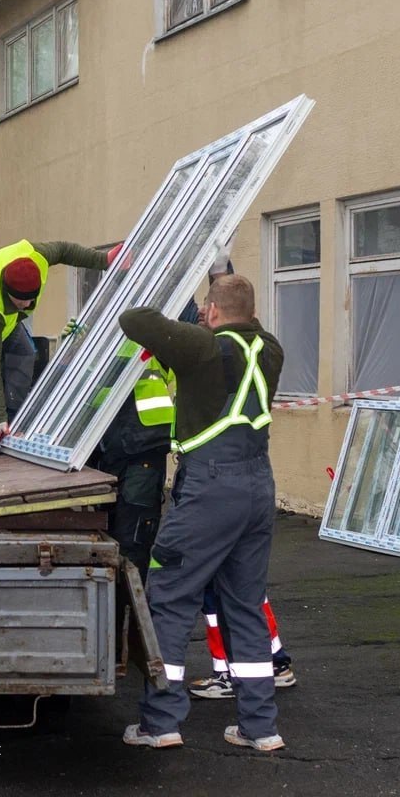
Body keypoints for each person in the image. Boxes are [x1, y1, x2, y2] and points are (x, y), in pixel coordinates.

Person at [119, 273, 287, 752]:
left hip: (210, 487)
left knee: (170, 598)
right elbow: (247, 325)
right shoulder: (272, 350)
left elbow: (134, 318)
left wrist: (188, 310)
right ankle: (260, 728)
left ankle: (161, 723)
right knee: (245, 605)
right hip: (258, 484)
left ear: (211, 312)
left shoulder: (203, 347)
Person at [0, 239, 113, 455]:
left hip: (4, 314)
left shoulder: (36, 257)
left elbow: (65, 250)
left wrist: (104, 259)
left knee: (25, 352)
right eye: (21, 301)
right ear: (7, 292)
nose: (27, 305)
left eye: (31, 300)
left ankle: (14, 419)